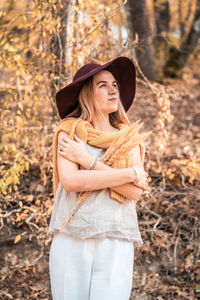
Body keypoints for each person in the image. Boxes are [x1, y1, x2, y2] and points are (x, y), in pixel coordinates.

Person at [48, 56, 150, 300]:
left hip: (116, 236)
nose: (112, 90)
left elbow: (135, 192)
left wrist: (88, 161)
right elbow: (71, 181)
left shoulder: (127, 138)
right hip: (72, 235)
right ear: (86, 93)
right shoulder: (70, 131)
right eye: (102, 85)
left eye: (114, 84)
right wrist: (128, 175)